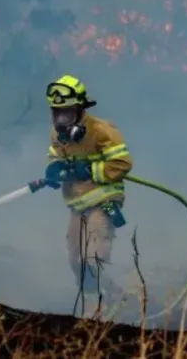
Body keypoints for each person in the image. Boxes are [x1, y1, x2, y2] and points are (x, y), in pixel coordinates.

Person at [43, 74, 133, 303]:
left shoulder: (102, 131)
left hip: (103, 202)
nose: (61, 120)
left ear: (81, 109)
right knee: (75, 259)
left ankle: (113, 300)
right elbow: (54, 155)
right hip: (77, 204)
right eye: (57, 113)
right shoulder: (57, 135)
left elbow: (122, 164)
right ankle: (97, 300)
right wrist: (53, 169)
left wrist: (91, 170)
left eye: (67, 113)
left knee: (94, 257)